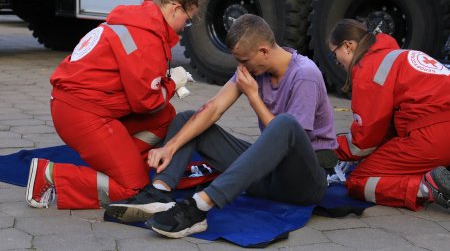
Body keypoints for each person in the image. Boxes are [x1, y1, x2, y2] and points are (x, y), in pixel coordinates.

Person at [104, 13, 338, 238]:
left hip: (305, 182)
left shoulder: (305, 74)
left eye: (244, 61)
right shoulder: (254, 67)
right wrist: (170, 146)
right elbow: (214, 108)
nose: (241, 67)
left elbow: (291, 142)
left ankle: (199, 207)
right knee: (189, 118)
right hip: (269, 177)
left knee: (285, 124)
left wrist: (254, 97)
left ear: (264, 51)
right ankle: (160, 192)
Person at [25, 0, 199, 209]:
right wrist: (172, 83)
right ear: (175, 8)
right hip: (83, 114)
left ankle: (124, 165)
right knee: (134, 191)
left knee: (166, 116)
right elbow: (146, 101)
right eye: (187, 21)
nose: (183, 28)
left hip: (77, 107)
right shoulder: (147, 38)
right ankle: (51, 175)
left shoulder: (137, 21)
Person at [328, 18, 450, 211]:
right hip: (438, 129)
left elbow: (363, 143)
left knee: (359, 180)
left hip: (434, 137)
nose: (337, 62)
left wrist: (329, 148)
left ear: (348, 46)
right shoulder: (397, 55)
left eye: (334, 55)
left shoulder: (368, 68)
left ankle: (426, 187)